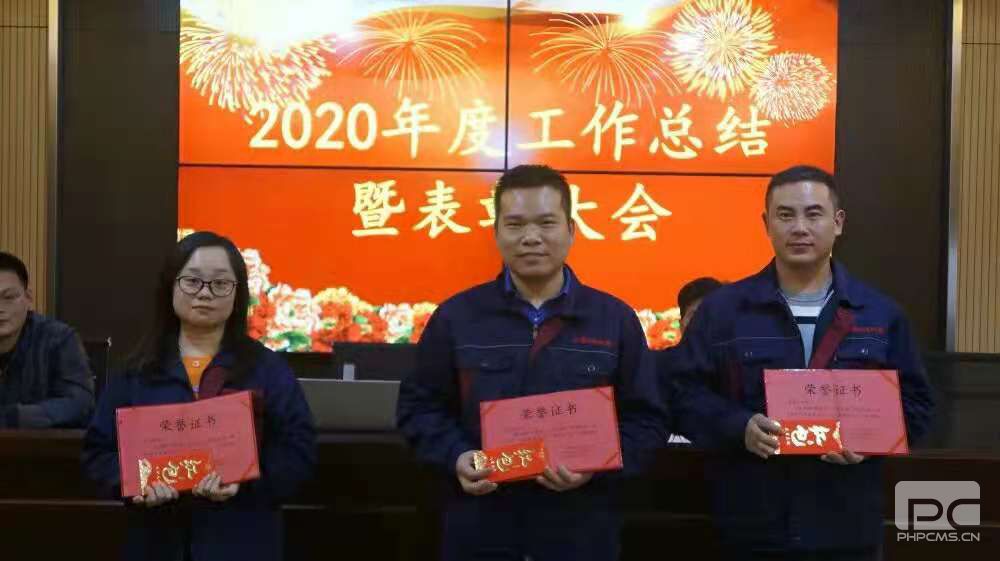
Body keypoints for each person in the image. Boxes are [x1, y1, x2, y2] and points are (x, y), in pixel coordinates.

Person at [396, 164, 667, 561]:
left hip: (579, 533)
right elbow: (419, 408)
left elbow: (648, 420)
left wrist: (596, 465)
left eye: (546, 223)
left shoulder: (614, 319)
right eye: (515, 224)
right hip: (482, 530)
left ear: (571, 230)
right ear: (496, 232)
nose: (531, 237)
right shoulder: (457, 317)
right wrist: (456, 456)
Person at [668, 165, 934, 561]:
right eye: (785, 215)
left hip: (846, 527)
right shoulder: (723, 312)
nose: (799, 228)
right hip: (752, 527)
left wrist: (869, 438)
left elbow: (917, 406)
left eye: (813, 214)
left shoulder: (880, 314)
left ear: (838, 222)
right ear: (766, 224)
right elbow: (682, 394)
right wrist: (738, 426)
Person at [82, 232, 316, 561]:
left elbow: (298, 451)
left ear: (238, 294)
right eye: (192, 281)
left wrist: (246, 483)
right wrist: (137, 483)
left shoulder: (268, 369)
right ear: (171, 287)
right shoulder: (137, 371)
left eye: (220, 284)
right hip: (156, 543)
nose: (205, 293)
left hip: (242, 541)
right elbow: (97, 453)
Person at [0, 251, 94, 428]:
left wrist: (14, 417)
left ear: (28, 299)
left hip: (41, 444)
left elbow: (80, 404)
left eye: (9, 297)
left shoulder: (59, 339)